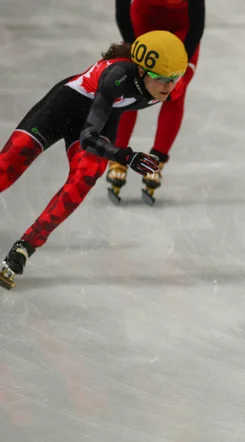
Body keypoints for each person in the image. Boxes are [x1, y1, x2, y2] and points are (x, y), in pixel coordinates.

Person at [0, 30, 188, 290]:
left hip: (103, 119)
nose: (168, 86)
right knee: (6, 170)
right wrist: (125, 156)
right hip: (61, 109)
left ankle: (25, 248)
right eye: (161, 78)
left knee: (85, 177)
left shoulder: (170, 90)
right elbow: (88, 137)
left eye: (174, 79)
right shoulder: (117, 76)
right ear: (143, 71)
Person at [107, 0, 206, 205]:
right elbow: (122, 6)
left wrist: (178, 61)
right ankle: (118, 154)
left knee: (174, 88)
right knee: (132, 83)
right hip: (144, 21)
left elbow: (197, 21)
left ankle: (157, 159)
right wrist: (133, 47)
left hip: (183, 28)